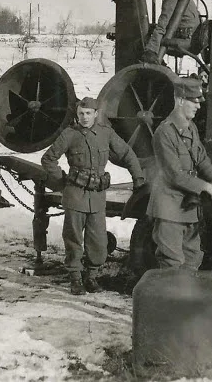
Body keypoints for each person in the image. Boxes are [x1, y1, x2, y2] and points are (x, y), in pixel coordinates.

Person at [40, 97, 144, 295]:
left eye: (88, 113)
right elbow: (48, 159)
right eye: (81, 114)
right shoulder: (69, 134)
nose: (85, 117)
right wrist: (61, 182)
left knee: (98, 241)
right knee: (73, 239)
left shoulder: (106, 133)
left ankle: (92, 276)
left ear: (96, 114)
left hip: (97, 197)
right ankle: (75, 278)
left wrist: (138, 177)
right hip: (75, 196)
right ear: (77, 115)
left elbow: (127, 154)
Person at [146, 77, 212, 270]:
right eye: (194, 101)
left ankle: (185, 299)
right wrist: (207, 186)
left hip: (188, 207)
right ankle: (170, 300)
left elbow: (201, 158)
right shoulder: (164, 132)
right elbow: (174, 175)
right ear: (180, 100)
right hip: (169, 208)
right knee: (172, 262)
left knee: (192, 260)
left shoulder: (191, 128)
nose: (198, 106)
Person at [141, 0, 200, 64]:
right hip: (191, 34)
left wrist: (151, 49)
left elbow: (164, 21)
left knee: (146, 43)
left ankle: (158, 67)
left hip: (185, 37)